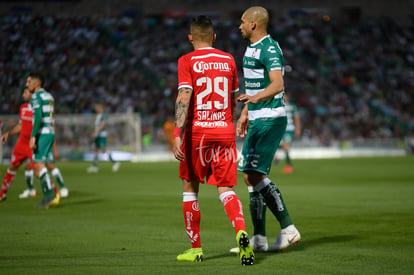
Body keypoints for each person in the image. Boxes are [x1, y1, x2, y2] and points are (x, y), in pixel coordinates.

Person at [173, 15, 254, 265]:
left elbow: (185, 96)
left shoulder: (187, 60)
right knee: (226, 188)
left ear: (190, 38)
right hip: (224, 130)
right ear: (214, 37)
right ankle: (241, 231)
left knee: (190, 186)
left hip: (198, 132)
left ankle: (195, 249)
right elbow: (232, 99)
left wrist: (177, 134)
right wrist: (227, 123)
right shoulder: (228, 59)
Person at [235, 6, 301, 252]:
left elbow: (278, 84)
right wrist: (245, 113)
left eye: (242, 22)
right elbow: (254, 85)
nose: (239, 25)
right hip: (257, 116)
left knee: (255, 175)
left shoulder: (269, 48)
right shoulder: (251, 47)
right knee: (249, 177)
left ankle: (289, 229)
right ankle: (260, 239)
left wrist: (256, 99)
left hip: (270, 117)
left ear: (253, 23)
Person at [0, 87, 69, 201]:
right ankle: (2, 193)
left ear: (32, 94)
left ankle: (54, 193)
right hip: (21, 143)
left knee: (38, 170)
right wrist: (9, 133)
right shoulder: (23, 108)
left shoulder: (39, 108)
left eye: (25, 92)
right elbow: (20, 125)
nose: (23, 95)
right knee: (12, 167)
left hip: (33, 144)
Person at [26, 72, 60, 208]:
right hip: (50, 131)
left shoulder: (36, 96)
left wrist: (33, 136)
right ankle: (50, 194)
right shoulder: (49, 96)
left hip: (43, 133)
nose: (26, 84)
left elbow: (39, 115)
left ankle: (50, 196)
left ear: (36, 83)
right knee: (38, 165)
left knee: (38, 164)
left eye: (29, 82)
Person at [86, 102, 120, 173]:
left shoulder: (103, 116)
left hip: (102, 135)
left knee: (104, 151)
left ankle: (115, 162)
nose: (96, 109)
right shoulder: (97, 116)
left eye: (97, 108)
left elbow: (102, 125)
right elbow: (97, 126)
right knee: (95, 150)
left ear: (101, 108)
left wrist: (96, 132)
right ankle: (95, 166)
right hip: (97, 135)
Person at [280, 93, 301, 174]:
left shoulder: (291, 106)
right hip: (280, 129)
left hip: (289, 129)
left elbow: (296, 118)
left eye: (285, 96)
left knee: (285, 146)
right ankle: (278, 160)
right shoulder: (278, 106)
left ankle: (289, 166)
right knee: (281, 146)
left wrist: (298, 129)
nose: (284, 97)